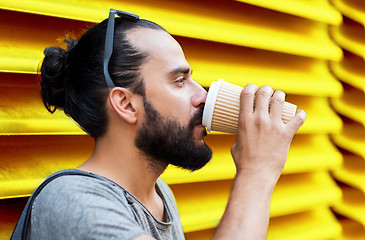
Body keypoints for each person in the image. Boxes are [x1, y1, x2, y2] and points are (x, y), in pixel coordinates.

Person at [29, 9, 306, 240]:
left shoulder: (160, 197)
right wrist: (257, 171)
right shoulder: (73, 201)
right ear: (126, 104)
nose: (203, 96)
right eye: (179, 80)